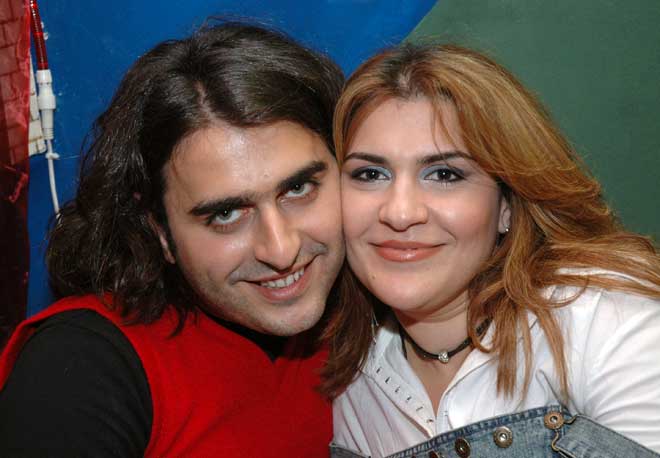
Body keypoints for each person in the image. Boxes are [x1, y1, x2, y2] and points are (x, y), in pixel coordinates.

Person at [0, 21, 345, 457]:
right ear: (159, 230)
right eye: (226, 214)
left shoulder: (375, 308)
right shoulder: (84, 365)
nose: (281, 249)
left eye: (298, 189)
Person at [322, 43, 660, 457]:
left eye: (444, 174)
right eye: (370, 174)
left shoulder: (607, 322)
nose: (400, 212)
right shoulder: (350, 386)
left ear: (507, 206)